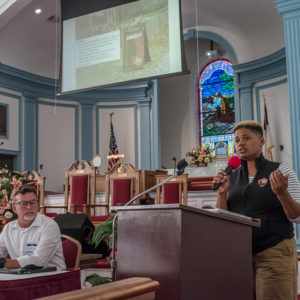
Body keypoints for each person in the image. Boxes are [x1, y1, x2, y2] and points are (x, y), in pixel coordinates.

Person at [213, 120, 300, 300]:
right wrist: (222, 194)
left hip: (275, 250)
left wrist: (282, 193)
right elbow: (225, 220)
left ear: (261, 141)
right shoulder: (232, 176)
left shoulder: (280, 170)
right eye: (237, 140)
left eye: (246, 138)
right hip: (241, 255)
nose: (241, 143)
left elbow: (297, 216)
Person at [0, 185, 66, 270]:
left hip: (51, 278)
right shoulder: (8, 228)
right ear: (14, 208)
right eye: (24, 203)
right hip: (21, 276)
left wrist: (4, 263)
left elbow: (39, 260)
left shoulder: (49, 226)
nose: (29, 207)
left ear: (37, 205)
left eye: (32, 202)